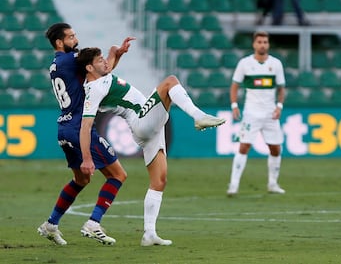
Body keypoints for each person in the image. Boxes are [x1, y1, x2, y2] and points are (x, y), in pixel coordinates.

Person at [76, 47, 226, 246]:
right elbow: (85, 125)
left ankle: (149, 234)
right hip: (142, 121)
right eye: (100, 60)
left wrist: (116, 53)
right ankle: (199, 117)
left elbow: (106, 67)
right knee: (170, 82)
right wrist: (86, 158)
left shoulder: (101, 78)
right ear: (89, 67)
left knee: (159, 181)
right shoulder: (94, 89)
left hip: (149, 128)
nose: (105, 62)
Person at [37, 23, 134, 245]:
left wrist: (114, 55)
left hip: (64, 127)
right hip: (80, 127)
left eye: (75, 35)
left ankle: (51, 224)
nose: (75, 39)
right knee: (118, 175)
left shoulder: (58, 63)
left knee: (81, 178)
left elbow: (101, 72)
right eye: (70, 37)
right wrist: (112, 54)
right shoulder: (72, 59)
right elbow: (102, 69)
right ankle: (93, 223)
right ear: (59, 42)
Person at [226, 31, 286, 196]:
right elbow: (234, 86)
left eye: (265, 42)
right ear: (254, 44)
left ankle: (272, 183)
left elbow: (281, 88)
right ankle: (233, 184)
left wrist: (279, 106)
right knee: (244, 146)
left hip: (270, 113)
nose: (262, 45)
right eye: (259, 42)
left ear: (268, 45)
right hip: (251, 113)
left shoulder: (276, 64)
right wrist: (234, 105)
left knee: (275, 149)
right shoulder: (244, 64)